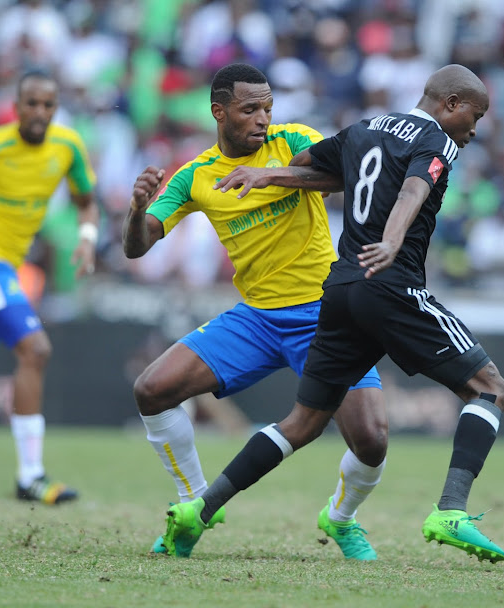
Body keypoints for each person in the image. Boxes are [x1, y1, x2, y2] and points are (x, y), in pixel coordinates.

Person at [163, 64, 504, 563]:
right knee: (491, 388)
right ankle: (451, 510)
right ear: (451, 103)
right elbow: (415, 189)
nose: (474, 129)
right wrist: (391, 242)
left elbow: (312, 165)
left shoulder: (367, 128)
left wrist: (267, 173)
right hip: (388, 285)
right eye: (474, 116)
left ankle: (201, 508)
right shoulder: (438, 141)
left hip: (340, 286)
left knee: (303, 422)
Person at [121, 63, 388, 561]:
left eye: (268, 107)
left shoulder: (294, 141)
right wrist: (137, 209)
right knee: (151, 389)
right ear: (219, 112)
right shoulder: (196, 176)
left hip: (326, 315)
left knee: (371, 441)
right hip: (258, 319)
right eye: (250, 109)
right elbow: (139, 247)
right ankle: (194, 505)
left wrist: (269, 175)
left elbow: (345, 174)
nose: (263, 118)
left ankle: (341, 516)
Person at [0, 69, 99, 504]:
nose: (40, 112)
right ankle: (31, 475)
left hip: (9, 267)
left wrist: (87, 238)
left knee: (34, 352)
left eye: (48, 104)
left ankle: (30, 477)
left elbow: (86, 201)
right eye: (32, 103)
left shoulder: (67, 146)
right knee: (35, 349)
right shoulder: (2, 146)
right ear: (17, 107)